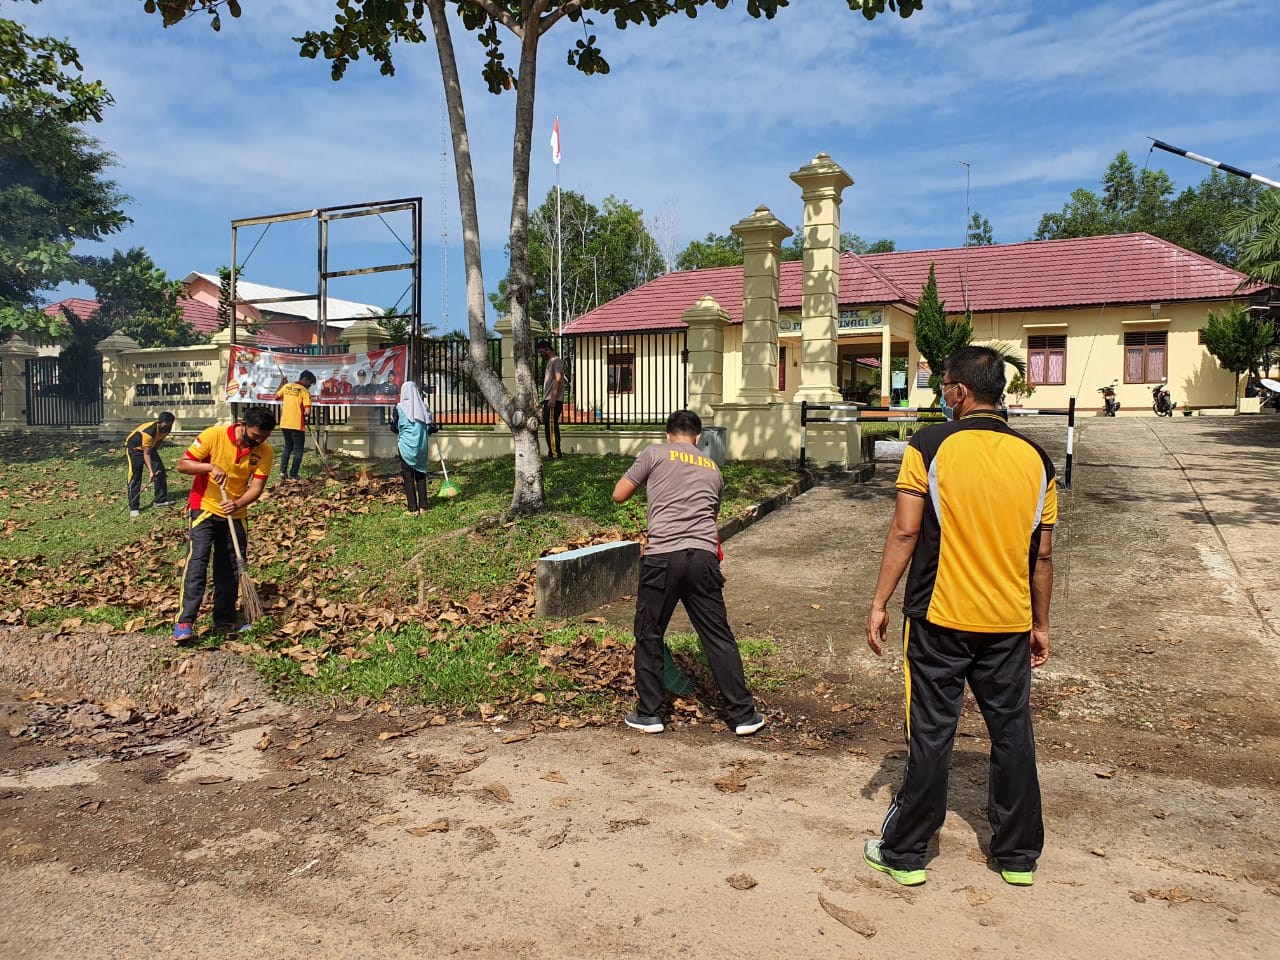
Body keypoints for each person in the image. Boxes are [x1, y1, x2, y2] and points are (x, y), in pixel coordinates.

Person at [862, 345, 1056, 889]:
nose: (942, 394)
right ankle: (1017, 856)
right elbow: (1041, 555)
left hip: (938, 617)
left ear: (960, 392)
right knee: (1012, 731)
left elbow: (904, 531)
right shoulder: (1037, 459)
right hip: (1009, 621)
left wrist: (879, 602)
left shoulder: (927, 444)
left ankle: (905, 853)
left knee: (930, 733)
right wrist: (1040, 623)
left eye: (943, 385)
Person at [612, 409, 765, 737]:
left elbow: (619, 495)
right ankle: (744, 715)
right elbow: (711, 513)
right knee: (717, 634)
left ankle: (650, 714)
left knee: (649, 632)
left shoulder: (654, 453)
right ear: (697, 438)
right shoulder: (712, 468)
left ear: (668, 434)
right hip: (703, 559)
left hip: (662, 557)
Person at [172, 408, 276, 642]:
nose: (259, 441)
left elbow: (256, 488)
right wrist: (210, 467)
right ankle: (185, 621)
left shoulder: (265, 451)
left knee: (229, 567)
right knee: (197, 562)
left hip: (235, 513)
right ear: (243, 425)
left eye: (264, 437)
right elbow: (183, 464)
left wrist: (237, 503)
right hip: (205, 508)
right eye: (255, 436)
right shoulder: (213, 435)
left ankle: (225, 619)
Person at [392, 380, 434, 515]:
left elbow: (394, 427)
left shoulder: (398, 408)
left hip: (406, 447)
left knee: (408, 477)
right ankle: (424, 506)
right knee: (421, 474)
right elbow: (431, 427)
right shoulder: (423, 408)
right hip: (421, 446)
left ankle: (412, 508)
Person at [125, 412, 176, 518]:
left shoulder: (167, 429)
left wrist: (155, 465)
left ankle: (160, 500)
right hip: (135, 449)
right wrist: (151, 471)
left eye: (169, 424)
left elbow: (157, 443)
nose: (166, 427)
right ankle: (134, 508)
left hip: (149, 449)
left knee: (160, 471)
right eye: (164, 425)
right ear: (159, 423)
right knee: (135, 476)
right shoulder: (149, 431)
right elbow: (146, 453)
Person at [274, 370, 315, 482]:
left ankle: (283, 472)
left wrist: (282, 384)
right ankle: (293, 474)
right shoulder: (304, 391)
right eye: (310, 383)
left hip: (285, 423)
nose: (310, 386)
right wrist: (305, 413)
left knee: (288, 447)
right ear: (305, 379)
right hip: (297, 424)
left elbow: (276, 396)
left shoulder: (286, 387)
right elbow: (307, 411)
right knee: (298, 450)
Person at [537, 339, 565, 459]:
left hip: (553, 400)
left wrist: (553, 398)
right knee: (549, 426)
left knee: (551, 427)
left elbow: (558, 378)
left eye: (541, 351)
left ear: (546, 349)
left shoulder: (556, 360)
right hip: (548, 400)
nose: (540, 354)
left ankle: (555, 454)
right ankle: (553, 452)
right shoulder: (550, 362)